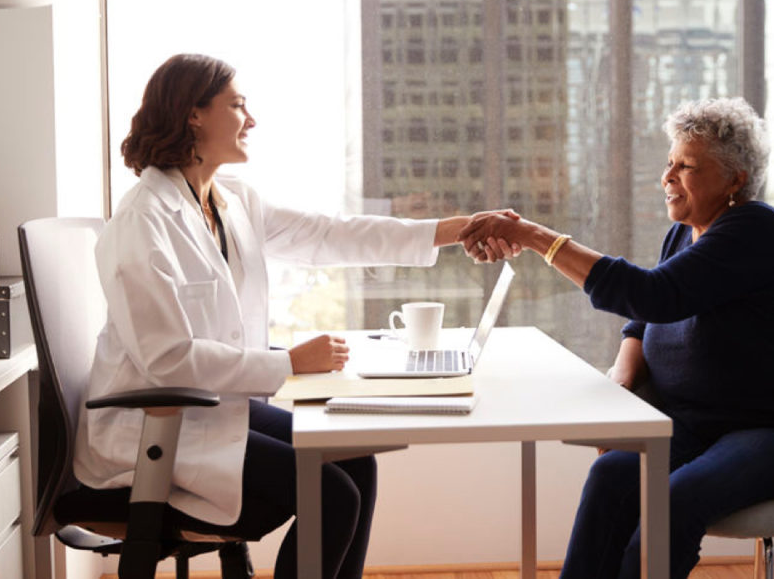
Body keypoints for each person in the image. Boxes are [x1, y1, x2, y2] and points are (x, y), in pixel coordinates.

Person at [73, 53, 474, 579]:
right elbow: (167, 361)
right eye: (237, 105)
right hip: (154, 426)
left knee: (354, 458)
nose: (251, 119)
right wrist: (287, 364)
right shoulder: (142, 221)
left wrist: (452, 230)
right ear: (193, 115)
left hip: (211, 405)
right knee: (331, 493)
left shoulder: (231, 201)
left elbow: (329, 234)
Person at [458, 97, 774, 579]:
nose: (668, 177)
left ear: (734, 180)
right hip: (692, 423)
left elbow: (651, 296)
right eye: (669, 162)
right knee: (610, 475)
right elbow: (643, 323)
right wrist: (622, 386)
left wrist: (537, 237)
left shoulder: (755, 230)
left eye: (686, 166)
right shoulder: (685, 234)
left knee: (673, 502)